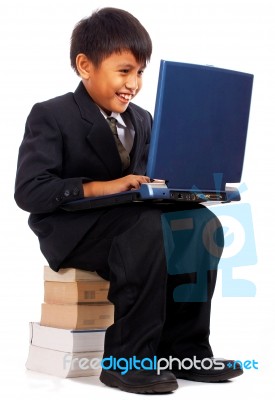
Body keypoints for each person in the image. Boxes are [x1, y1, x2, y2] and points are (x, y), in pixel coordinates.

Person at [14, 7, 243, 394]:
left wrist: (178, 189)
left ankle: (184, 350)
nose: (133, 83)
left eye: (139, 73)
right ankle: (127, 359)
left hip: (133, 219)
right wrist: (108, 186)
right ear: (85, 65)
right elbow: (30, 191)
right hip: (76, 228)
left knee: (200, 223)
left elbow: (144, 182)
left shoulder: (144, 118)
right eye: (124, 71)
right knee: (150, 230)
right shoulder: (51, 115)